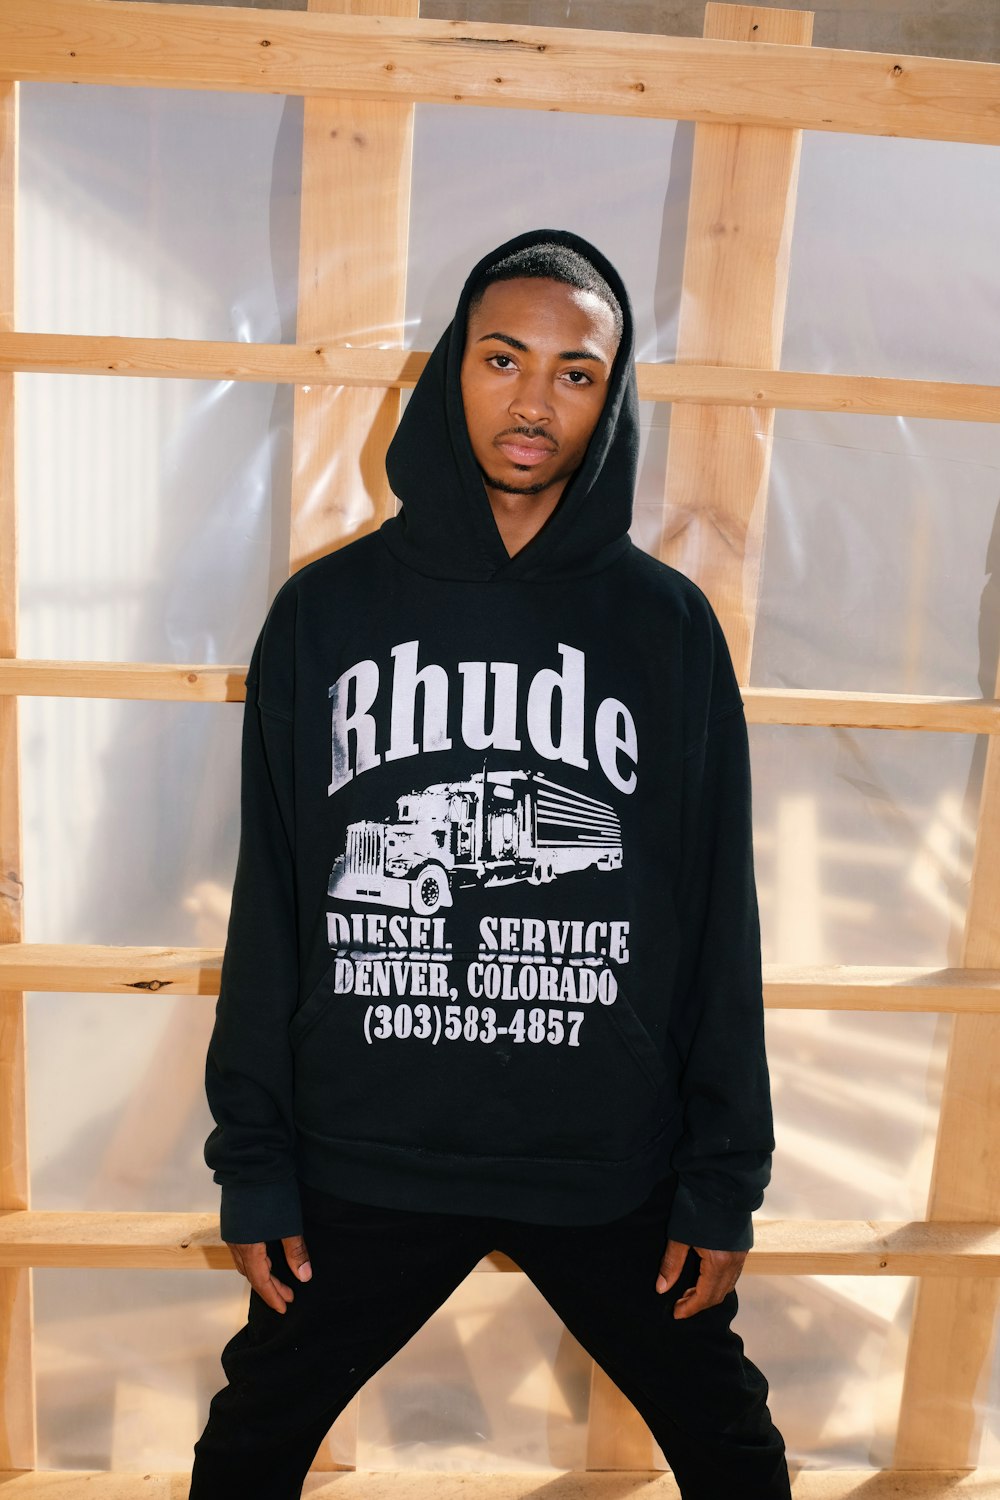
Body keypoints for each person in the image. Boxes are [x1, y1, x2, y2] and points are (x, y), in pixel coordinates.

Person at [190, 229, 790, 1499]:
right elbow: (277, 906)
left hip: (604, 1157)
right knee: (245, 1452)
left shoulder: (666, 630)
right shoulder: (324, 614)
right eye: (502, 358)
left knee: (735, 1453)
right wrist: (256, 1159)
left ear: (611, 398)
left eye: (576, 372)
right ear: (448, 371)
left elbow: (715, 920)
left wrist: (720, 1178)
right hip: (367, 1150)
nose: (533, 400)